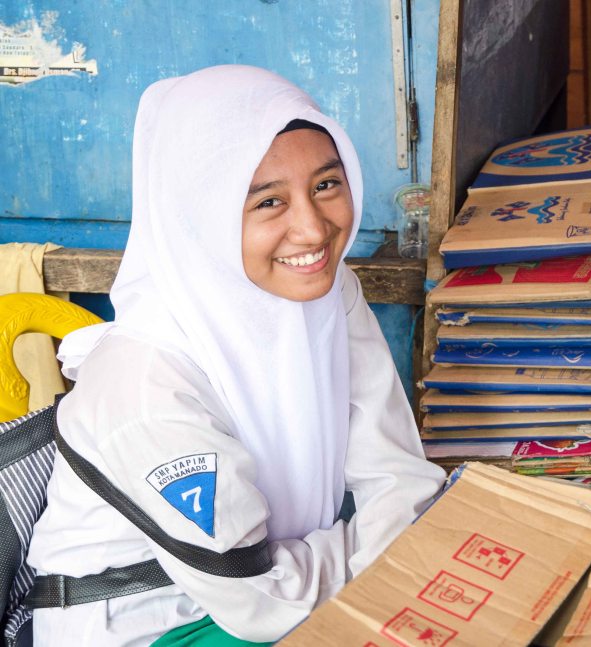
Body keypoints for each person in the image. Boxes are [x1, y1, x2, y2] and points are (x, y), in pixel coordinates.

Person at [26, 65, 446, 645]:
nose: (313, 229)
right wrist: (380, 548)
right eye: (269, 202)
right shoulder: (145, 389)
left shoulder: (327, 293)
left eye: (327, 184)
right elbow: (260, 599)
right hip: (156, 623)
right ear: (203, 218)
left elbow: (396, 473)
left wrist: (396, 545)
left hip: (287, 590)